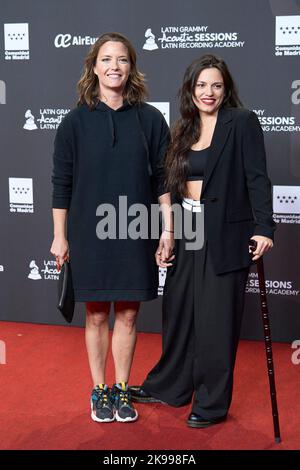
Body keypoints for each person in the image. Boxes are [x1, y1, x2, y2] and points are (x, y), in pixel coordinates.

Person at [130, 54, 276, 428]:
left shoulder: (241, 122)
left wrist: (264, 227)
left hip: (226, 234)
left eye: (216, 85)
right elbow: (173, 187)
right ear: (190, 89)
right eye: (201, 85)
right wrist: (170, 234)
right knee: (179, 313)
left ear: (226, 89)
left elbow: (257, 177)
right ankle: (171, 386)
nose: (208, 92)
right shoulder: (183, 129)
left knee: (216, 322)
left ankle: (211, 404)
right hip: (187, 231)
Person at [50, 32, 173, 424]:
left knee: (131, 315)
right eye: (106, 59)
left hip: (136, 230)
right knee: (98, 314)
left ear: (131, 67)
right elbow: (61, 182)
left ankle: (122, 389)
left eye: (121, 59)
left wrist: (168, 230)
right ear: (94, 66)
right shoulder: (73, 122)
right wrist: (59, 235)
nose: (114, 66)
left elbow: (164, 183)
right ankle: (99, 389)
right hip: (90, 232)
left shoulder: (151, 120)